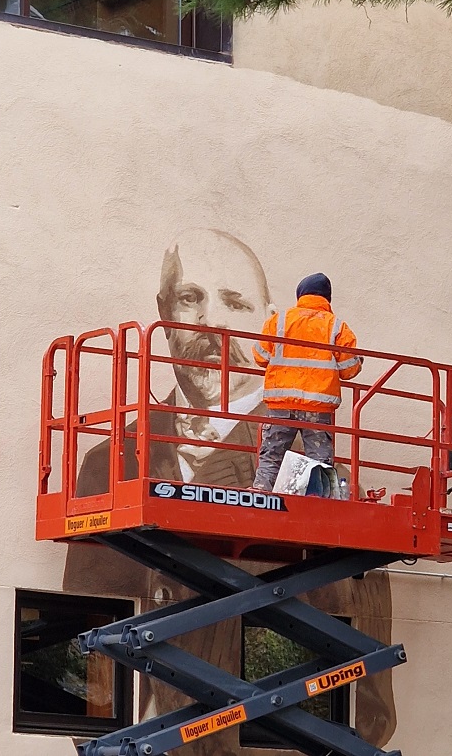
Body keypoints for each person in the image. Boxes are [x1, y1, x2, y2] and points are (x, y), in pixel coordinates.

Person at [62, 232, 396, 752]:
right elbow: (88, 662)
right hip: (313, 415)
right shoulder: (107, 462)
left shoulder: (321, 485)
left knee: (274, 458)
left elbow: (369, 704)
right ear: (163, 311)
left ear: (267, 316)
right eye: (190, 297)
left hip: (283, 414)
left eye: (235, 303)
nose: (212, 322)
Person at [252, 272, 363, 491]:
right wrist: (358, 361)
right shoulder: (336, 327)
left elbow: (260, 357)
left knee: (272, 454)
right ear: (327, 298)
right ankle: (320, 498)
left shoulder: (279, 321)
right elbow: (349, 370)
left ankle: (261, 490)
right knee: (319, 459)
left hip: (281, 404)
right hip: (317, 408)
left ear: (300, 294)